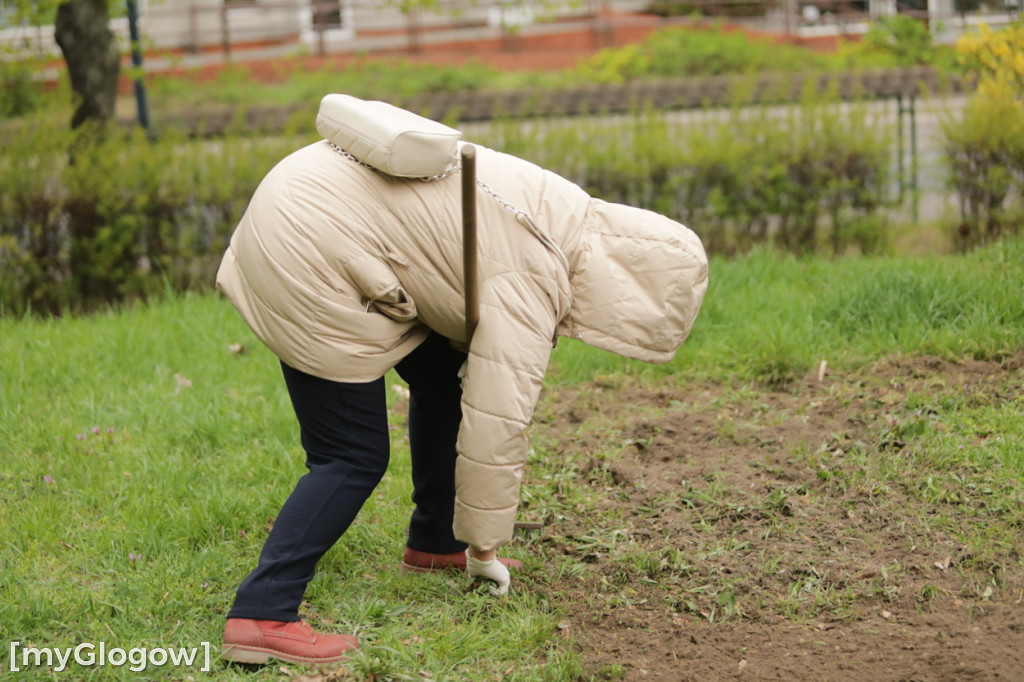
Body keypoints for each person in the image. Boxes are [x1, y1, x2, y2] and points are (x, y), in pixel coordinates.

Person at [215, 128, 708, 665]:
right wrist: (485, 549)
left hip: (306, 199)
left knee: (441, 374)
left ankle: (433, 542)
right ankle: (263, 613)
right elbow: (497, 427)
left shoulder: (563, 213)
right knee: (351, 455)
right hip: (311, 246)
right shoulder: (536, 279)